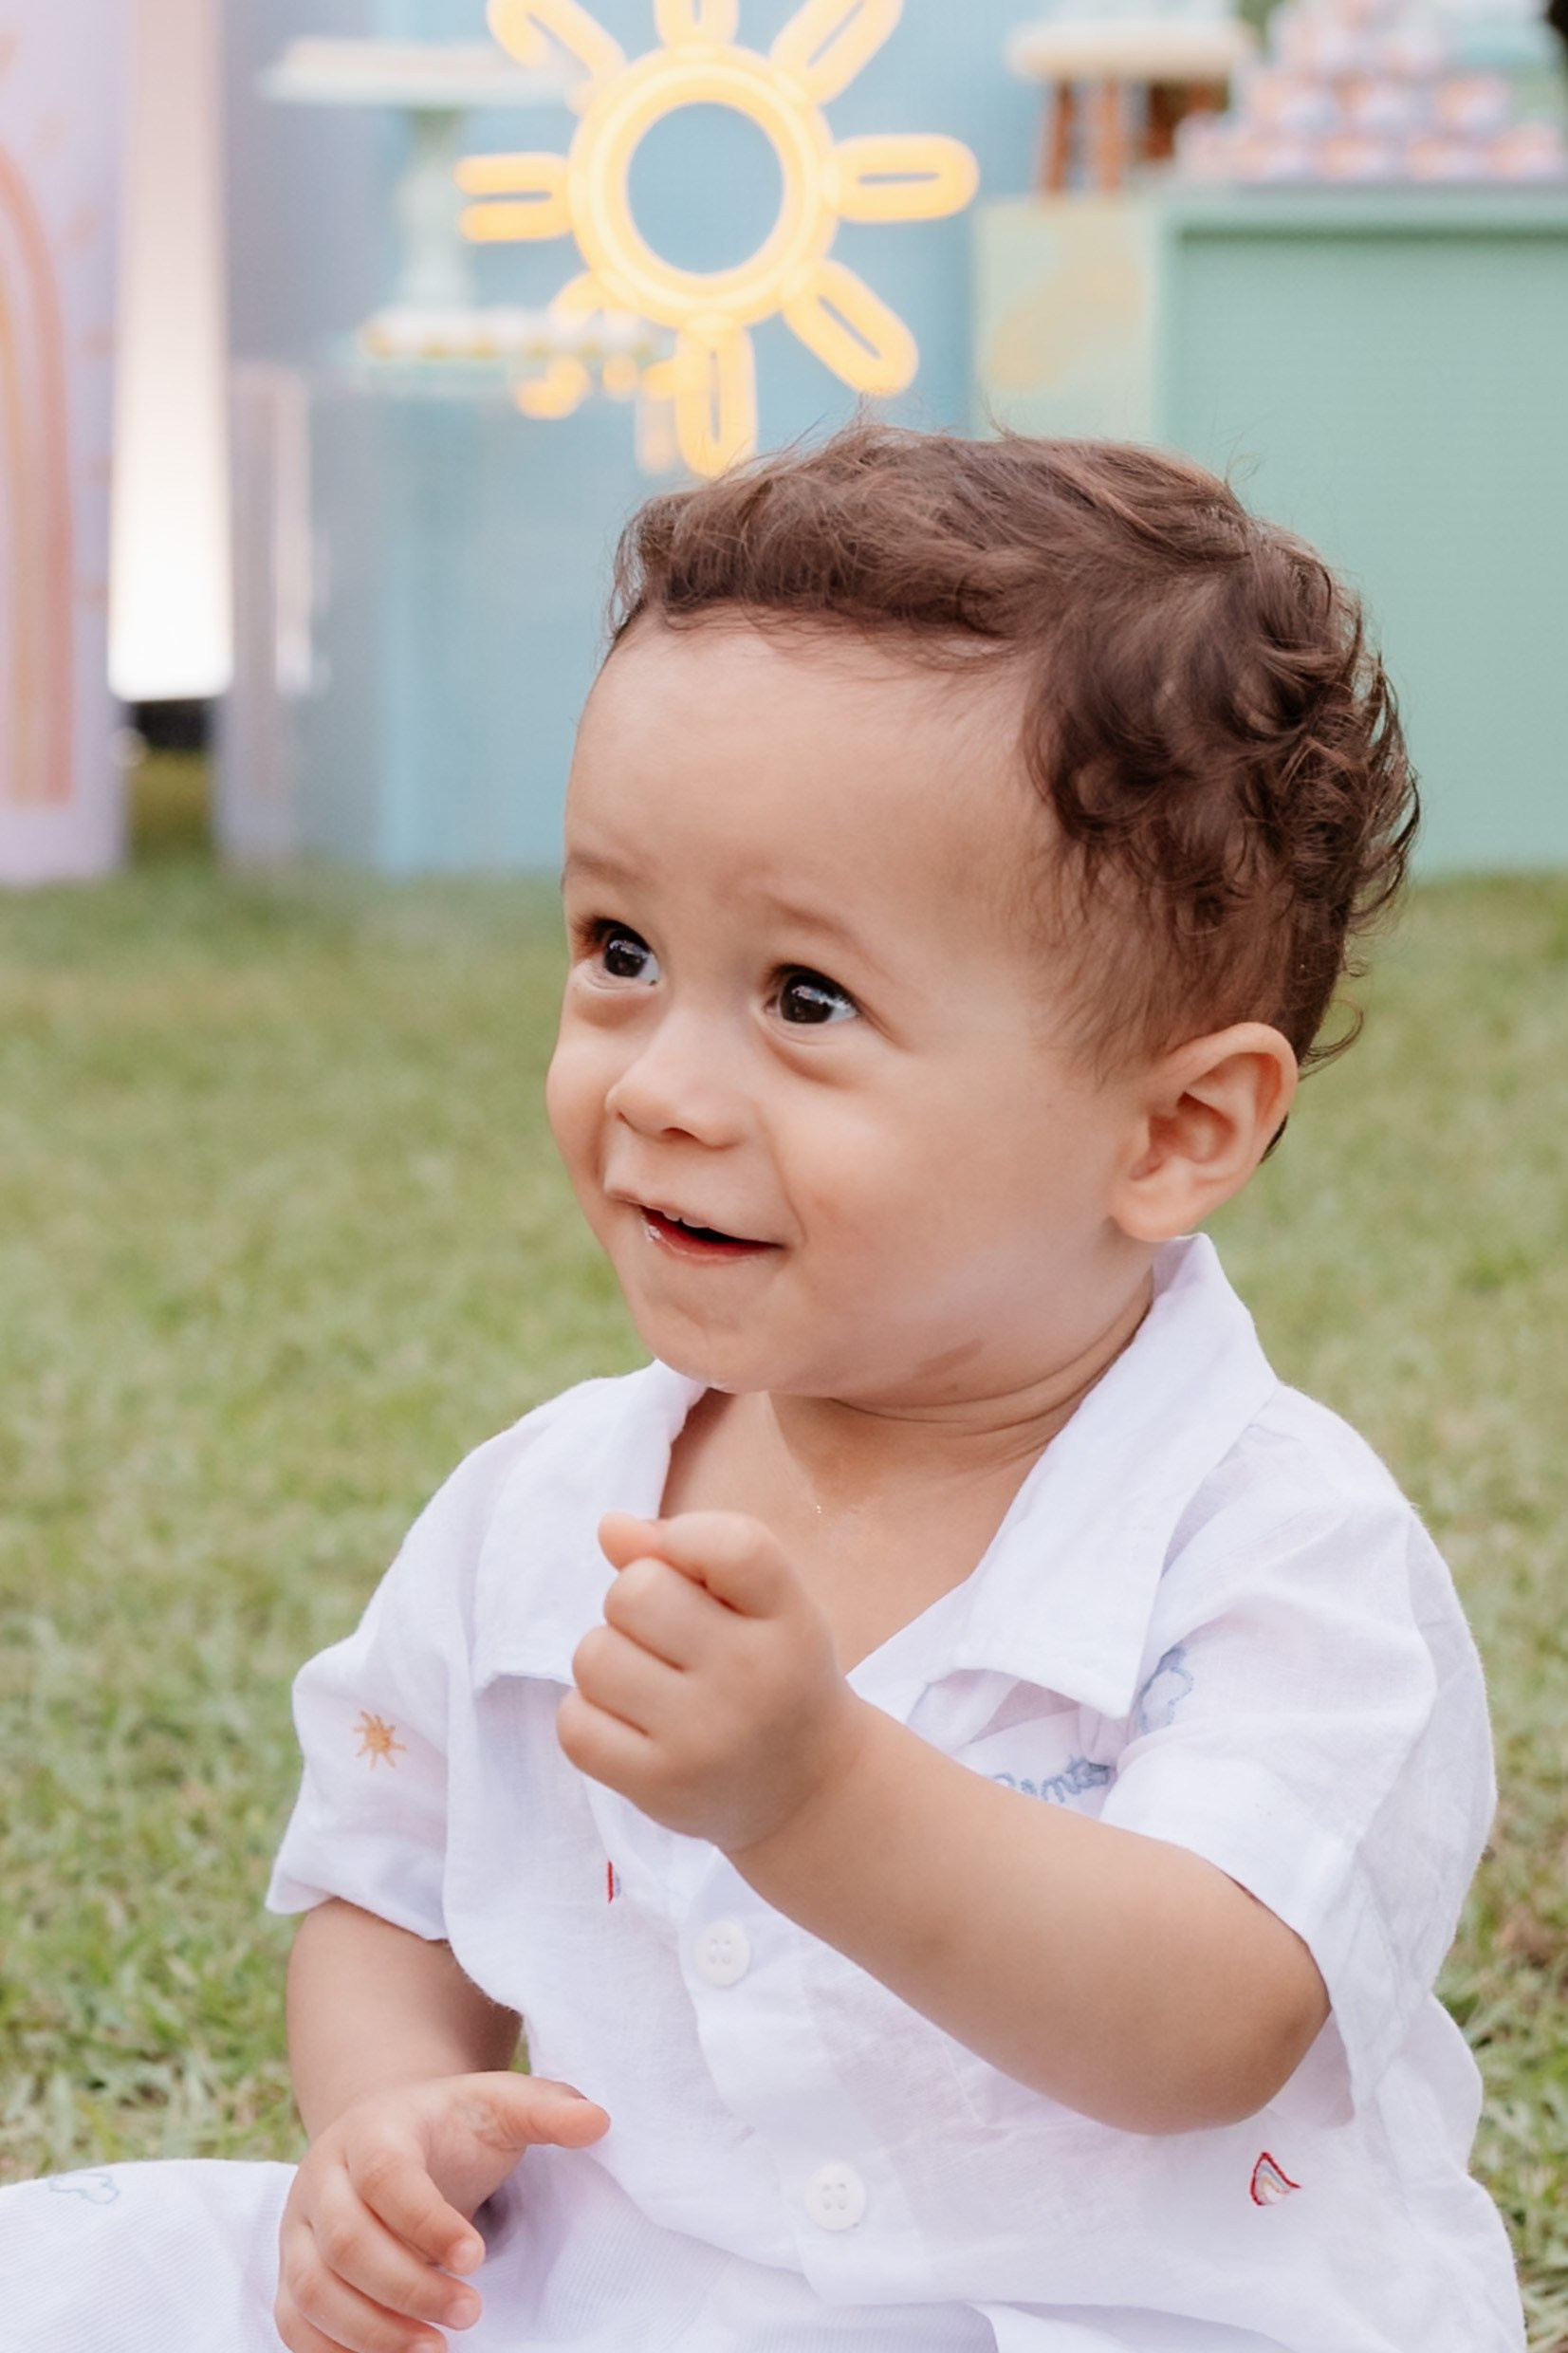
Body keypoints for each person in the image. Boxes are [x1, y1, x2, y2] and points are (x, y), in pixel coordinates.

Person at [0, 425, 1524, 2353]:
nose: (656, 1082)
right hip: (641, 2291)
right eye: (617, 953)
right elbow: (388, 1886)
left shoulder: (1273, 1553)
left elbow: (1207, 2016)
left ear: (1173, 1128)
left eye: (803, 997)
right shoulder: (554, 1505)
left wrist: (815, 1789)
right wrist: (384, 2120)